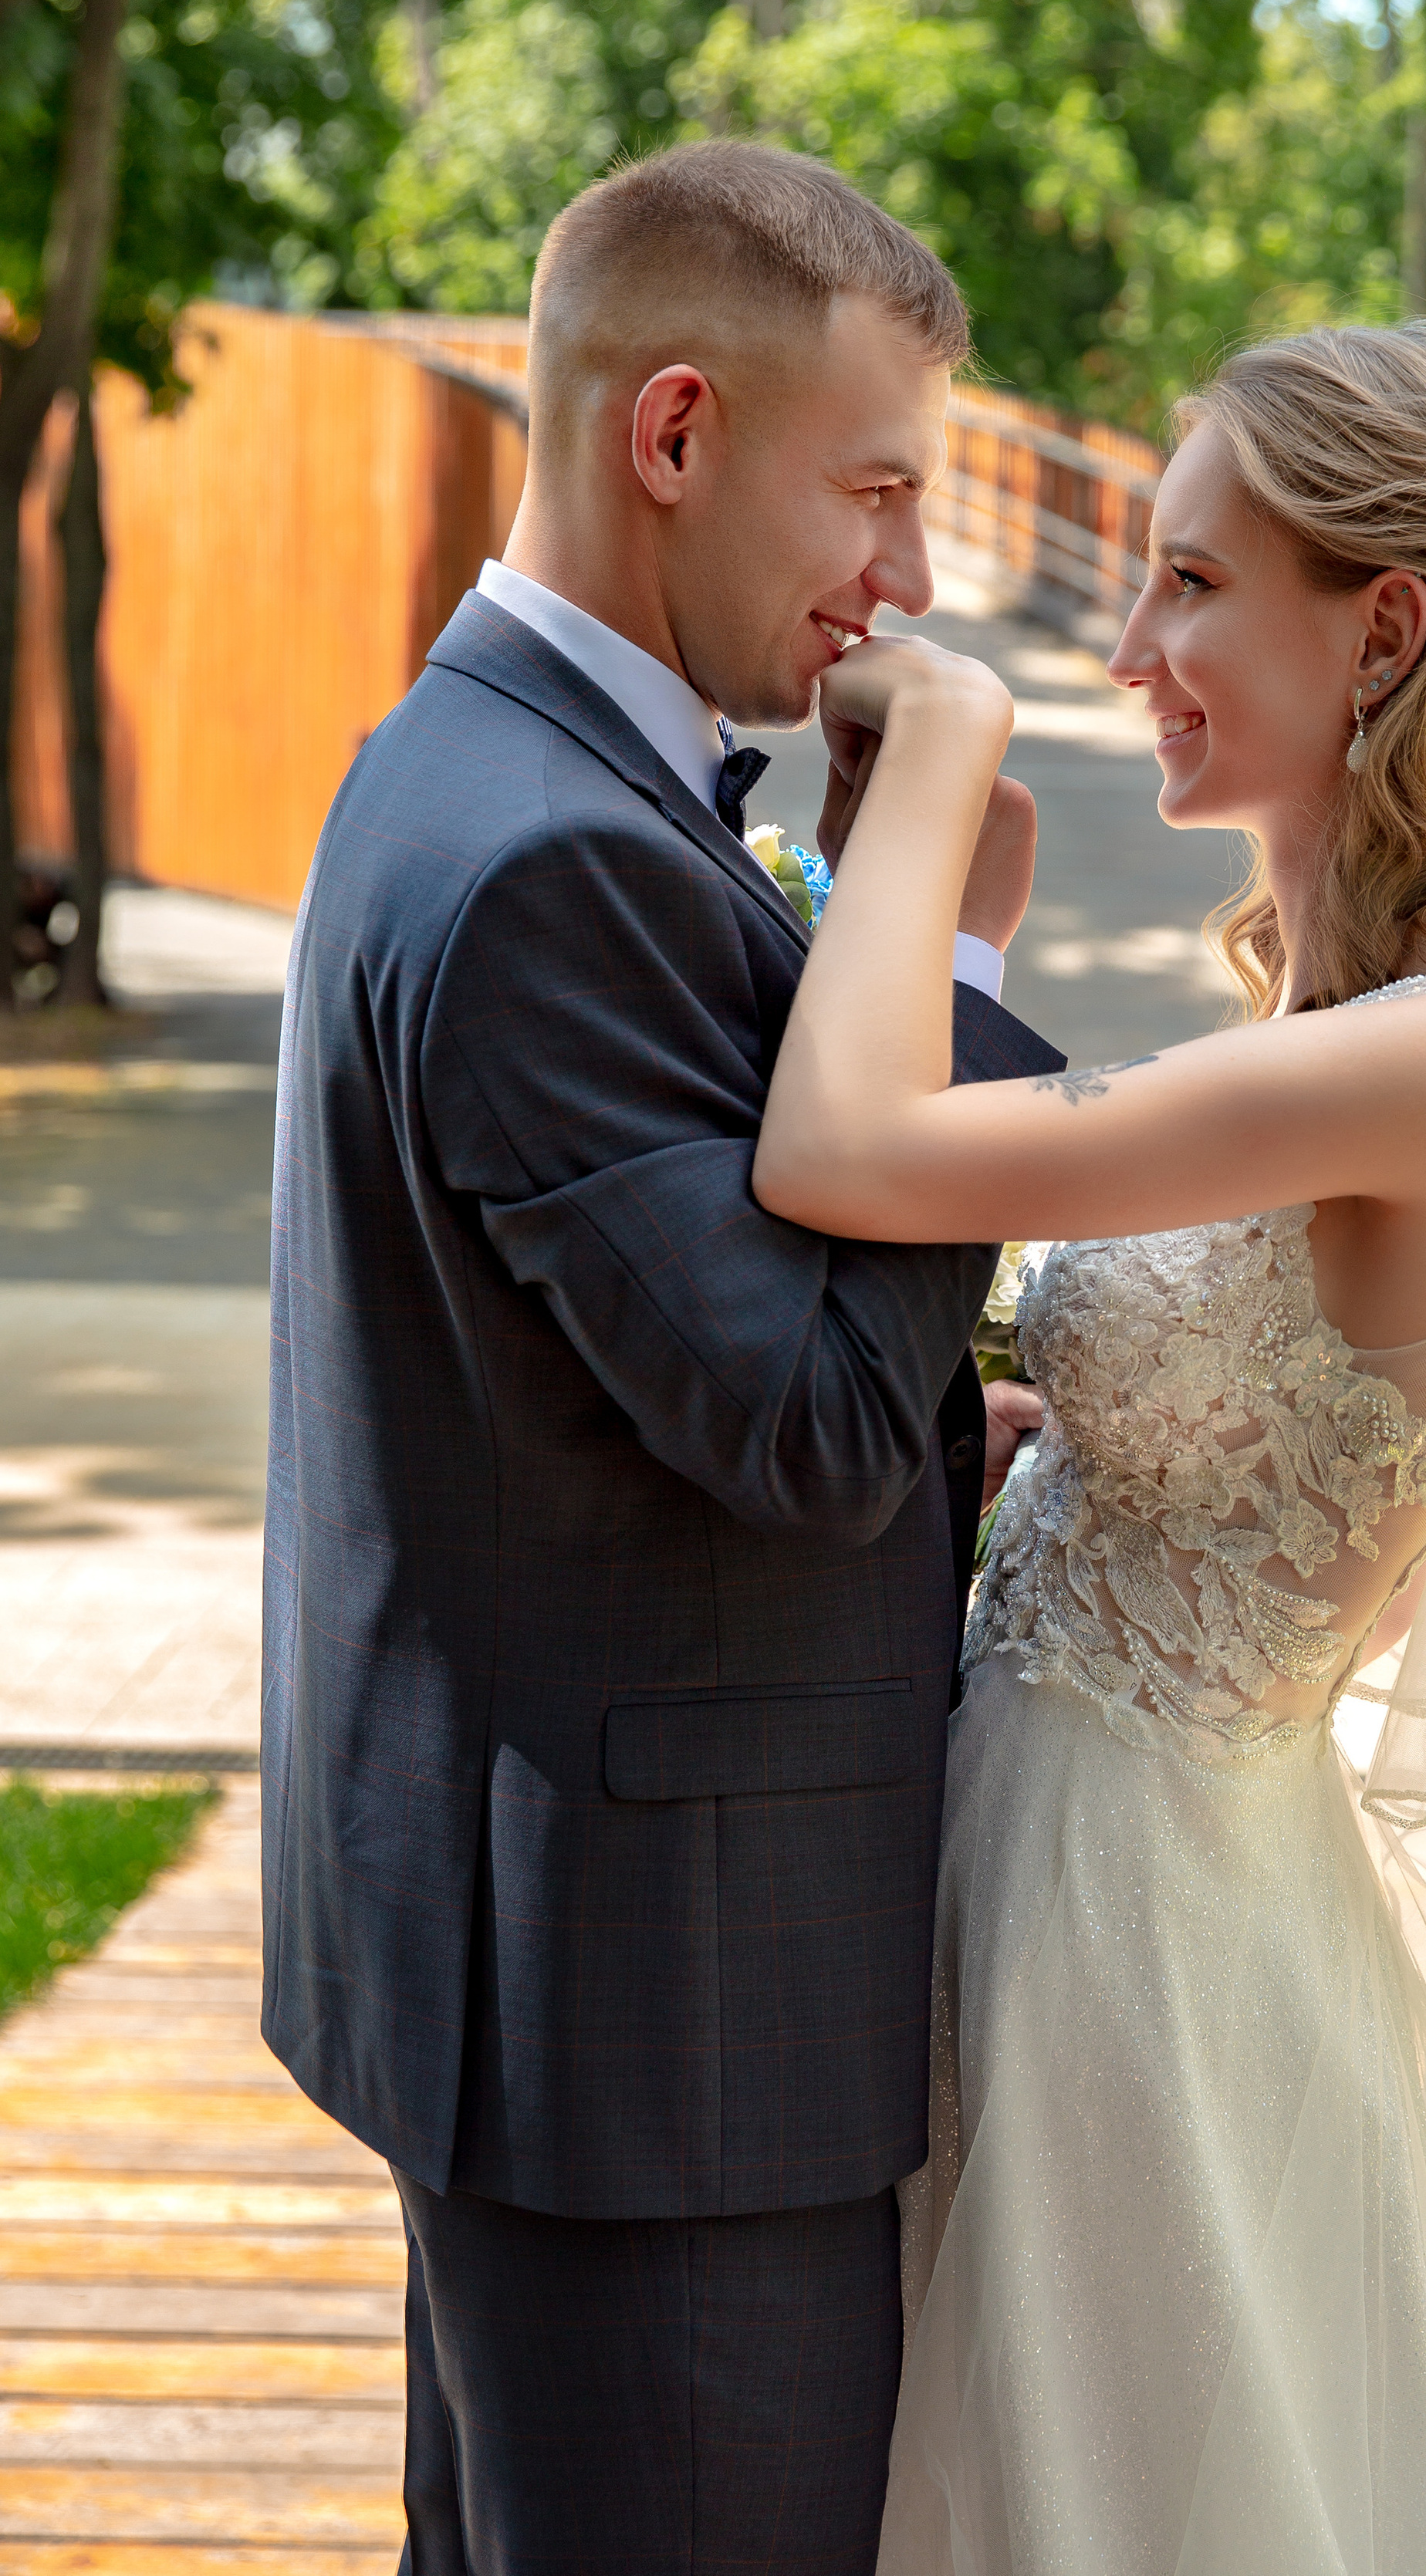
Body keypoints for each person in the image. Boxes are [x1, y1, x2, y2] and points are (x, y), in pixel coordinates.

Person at [753, 321, 1426, 2574]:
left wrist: (936, 777)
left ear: (1382, 629)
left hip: (1133, 1932)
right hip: (1125, 1851)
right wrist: (1073, 1468)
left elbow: (842, 1144)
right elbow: (1351, 1528)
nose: (1128, 649)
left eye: (1193, 584)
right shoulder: (1382, 1027)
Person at [261, 140, 1064, 2575]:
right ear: (677, 434)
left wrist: (965, 1427)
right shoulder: (550, 855)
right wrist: (954, 946)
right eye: (881, 491)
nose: (909, 584)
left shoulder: (532, 777)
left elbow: (627, 1369)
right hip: (660, 2034)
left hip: (583, 1974)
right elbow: (804, 1428)